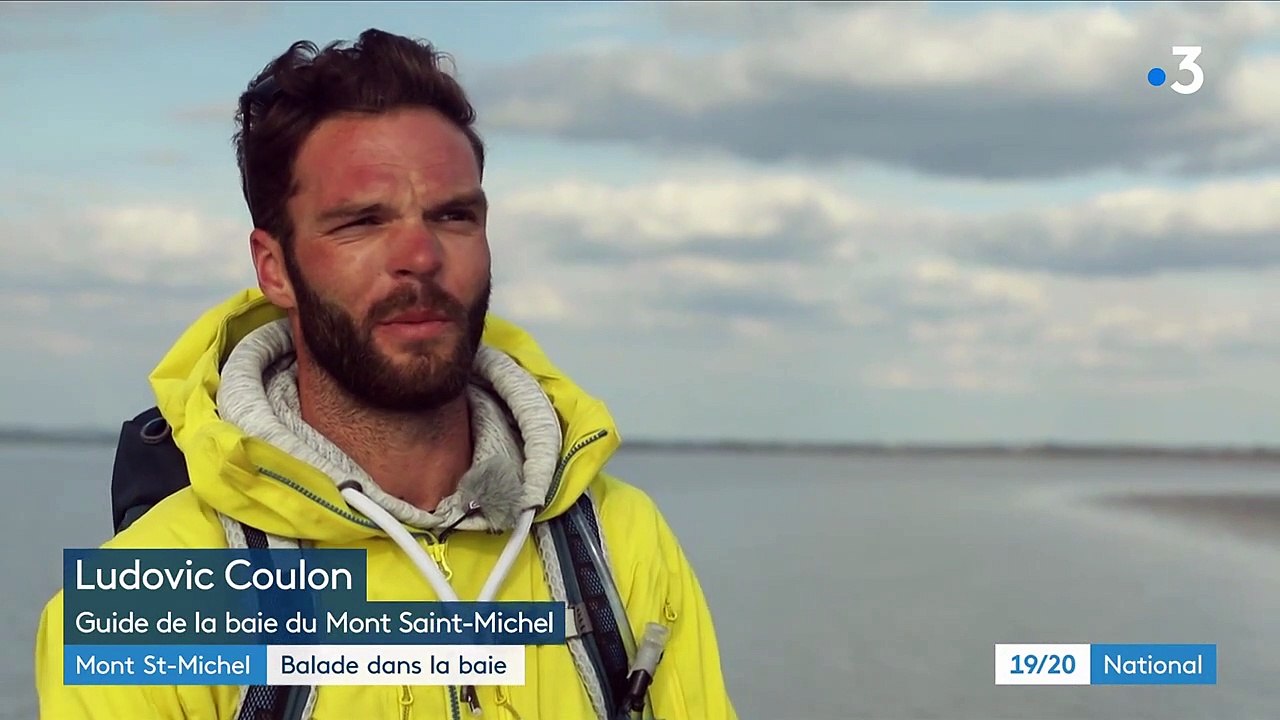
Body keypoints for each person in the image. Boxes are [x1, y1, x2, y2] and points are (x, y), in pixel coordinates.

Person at [34, 28, 737, 720]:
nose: (421, 256)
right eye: (362, 222)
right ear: (273, 267)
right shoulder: (143, 605)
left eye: (454, 215)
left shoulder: (618, 537)